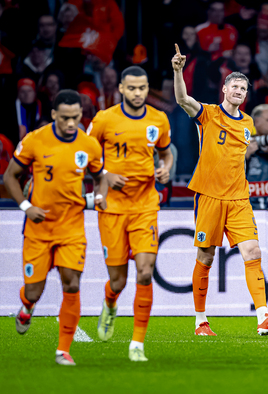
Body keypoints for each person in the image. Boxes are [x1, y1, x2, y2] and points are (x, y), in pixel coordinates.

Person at [172, 44, 268, 336]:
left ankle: (264, 318)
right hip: (209, 196)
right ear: (224, 89)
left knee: (253, 251)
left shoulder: (249, 123)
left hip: (239, 197)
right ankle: (201, 321)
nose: (238, 90)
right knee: (206, 258)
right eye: (234, 85)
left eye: (243, 88)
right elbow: (182, 99)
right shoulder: (209, 114)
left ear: (245, 95)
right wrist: (178, 71)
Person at [4, 90, 107, 366]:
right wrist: (26, 206)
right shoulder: (35, 140)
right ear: (53, 115)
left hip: (72, 228)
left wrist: (99, 197)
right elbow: (10, 176)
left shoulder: (88, 145)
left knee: (72, 284)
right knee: (34, 290)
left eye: (75, 117)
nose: (71, 123)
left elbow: (101, 178)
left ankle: (63, 350)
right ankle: (27, 306)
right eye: (65, 118)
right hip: (38, 230)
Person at [89, 66, 174, 362]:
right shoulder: (104, 119)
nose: (138, 93)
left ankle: (137, 343)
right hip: (112, 207)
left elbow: (166, 152)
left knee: (145, 272)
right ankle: (110, 304)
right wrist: (105, 174)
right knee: (118, 281)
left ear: (147, 88)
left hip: (145, 206)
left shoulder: (158, 119)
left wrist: (166, 168)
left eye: (142, 88)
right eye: (132, 88)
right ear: (122, 89)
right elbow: (85, 153)